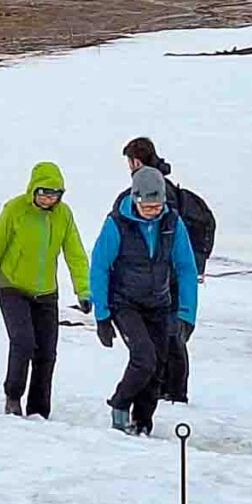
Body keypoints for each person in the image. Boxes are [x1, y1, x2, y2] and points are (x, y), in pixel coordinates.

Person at [0, 161, 91, 418]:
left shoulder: (64, 215)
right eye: (44, 193)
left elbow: (75, 254)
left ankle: (39, 410)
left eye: (55, 194)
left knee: (47, 351)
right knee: (23, 341)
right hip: (11, 285)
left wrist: (84, 291)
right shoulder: (15, 210)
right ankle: (13, 398)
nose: (49, 199)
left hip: (46, 291)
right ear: (33, 190)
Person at [89, 164, 197, 436]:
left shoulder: (172, 224)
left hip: (159, 303)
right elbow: (99, 267)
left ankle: (143, 422)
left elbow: (186, 267)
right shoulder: (117, 223)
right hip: (125, 303)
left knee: (159, 364)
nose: (153, 211)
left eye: (157, 205)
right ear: (135, 199)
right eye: (147, 206)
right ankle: (120, 404)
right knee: (144, 358)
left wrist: (187, 314)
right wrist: (102, 316)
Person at [122, 137, 215, 402]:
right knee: (166, 334)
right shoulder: (166, 183)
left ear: (135, 161)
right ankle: (169, 389)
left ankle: (173, 392)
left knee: (170, 335)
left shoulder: (156, 188)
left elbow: (164, 232)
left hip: (165, 274)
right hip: (166, 273)